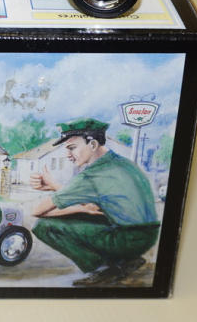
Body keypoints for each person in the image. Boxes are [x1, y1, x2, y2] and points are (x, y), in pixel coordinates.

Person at [30, 118, 160, 286]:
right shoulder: (121, 163)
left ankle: (104, 269)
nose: (68, 155)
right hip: (146, 235)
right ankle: (126, 261)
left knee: (44, 226)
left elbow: (36, 211)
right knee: (87, 215)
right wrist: (57, 188)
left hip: (128, 239)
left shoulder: (91, 175)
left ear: (92, 145)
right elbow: (92, 200)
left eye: (72, 148)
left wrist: (78, 210)